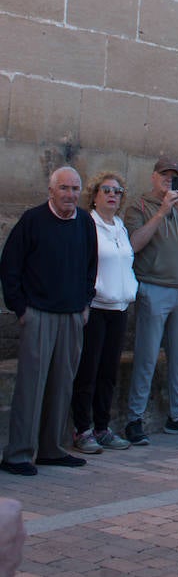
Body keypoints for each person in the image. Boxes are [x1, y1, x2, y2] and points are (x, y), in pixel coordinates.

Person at [0, 168, 97, 475]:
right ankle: (18, 454)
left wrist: (85, 303)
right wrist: (21, 308)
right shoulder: (32, 220)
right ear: (51, 190)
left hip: (72, 315)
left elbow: (90, 265)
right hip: (38, 314)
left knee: (62, 384)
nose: (70, 194)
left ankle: (51, 449)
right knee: (31, 386)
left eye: (75, 189)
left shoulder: (84, 222)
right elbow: (10, 267)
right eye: (64, 188)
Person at [122, 157, 178, 444]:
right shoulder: (139, 206)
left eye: (174, 177)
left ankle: (177, 416)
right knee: (146, 357)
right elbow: (134, 244)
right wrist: (162, 211)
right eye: (164, 175)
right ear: (153, 177)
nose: (169, 181)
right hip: (153, 288)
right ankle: (134, 419)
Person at [71, 172, 137, 454]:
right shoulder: (87, 224)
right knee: (88, 371)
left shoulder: (120, 226)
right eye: (106, 190)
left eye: (118, 191)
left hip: (119, 308)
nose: (112, 195)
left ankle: (102, 426)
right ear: (94, 195)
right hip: (95, 308)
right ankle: (82, 429)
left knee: (108, 372)